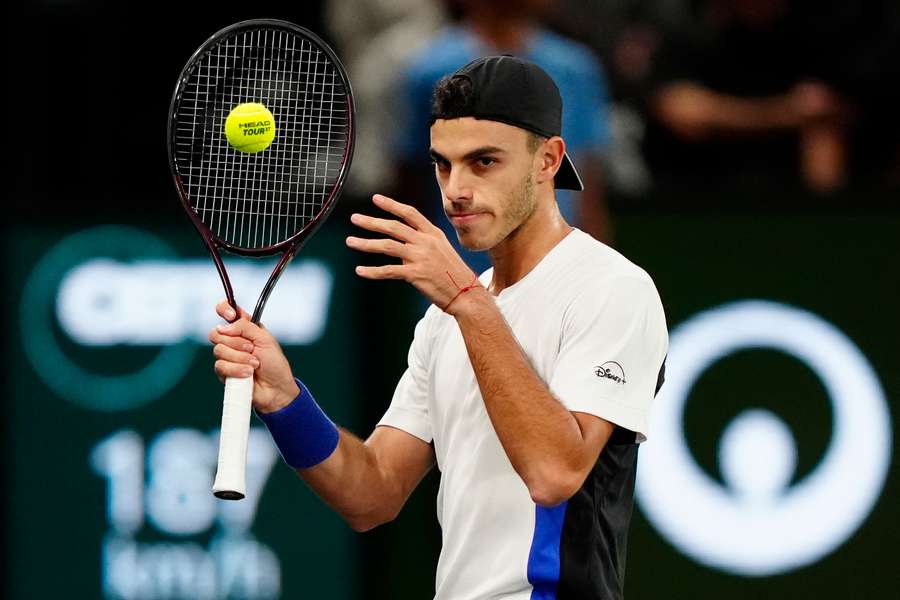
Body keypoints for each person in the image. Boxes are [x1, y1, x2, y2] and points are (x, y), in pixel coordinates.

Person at [208, 56, 668, 600]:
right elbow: (373, 494)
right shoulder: (444, 321)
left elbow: (555, 474)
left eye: (484, 162)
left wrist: (467, 301)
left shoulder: (612, 288)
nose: (455, 190)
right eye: (443, 165)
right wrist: (286, 402)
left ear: (548, 160)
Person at [395, 0, 614, 275]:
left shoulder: (577, 68)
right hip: (457, 270)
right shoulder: (428, 69)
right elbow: (413, 177)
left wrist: (595, 268)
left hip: (555, 273)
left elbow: (588, 187)